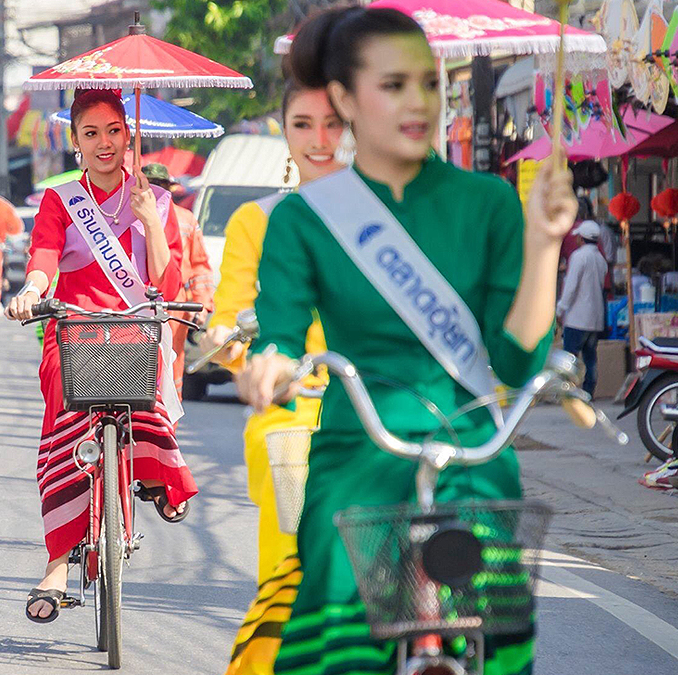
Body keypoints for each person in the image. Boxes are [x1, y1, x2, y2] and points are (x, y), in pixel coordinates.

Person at [242, 7, 576, 673]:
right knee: (333, 622)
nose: (418, 101)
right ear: (344, 98)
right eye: (393, 85)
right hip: (361, 451)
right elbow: (276, 335)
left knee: (503, 630)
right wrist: (269, 368)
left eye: (428, 83)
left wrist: (544, 245)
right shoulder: (305, 220)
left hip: (475, 450)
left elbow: (514, 359)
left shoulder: (487, 202)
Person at [5, 88, 197, 624]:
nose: (104, 143)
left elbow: (167, 281)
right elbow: (43, 259)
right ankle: (59, 562)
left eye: (114, 130)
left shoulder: (156, 200)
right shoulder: (59, 199)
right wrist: (31, 291)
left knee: (147, 383)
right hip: (73, 329)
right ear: (75, 142)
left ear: (128, 135)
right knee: (65, 414)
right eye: (91, 133)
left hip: (134, 328)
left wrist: (152, 223)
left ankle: (150, 469)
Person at [207, 76, 344, 675]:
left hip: (383, 413)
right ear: (284, 135)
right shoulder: (256, 222)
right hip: (294, 411)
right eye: (302, 125)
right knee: (294, 573)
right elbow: (228, 319)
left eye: (333, 123)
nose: (320, 140)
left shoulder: (395, 218)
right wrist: (235, 351)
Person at [142, 162, 214, 393]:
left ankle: (167, 426)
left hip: (174, 305)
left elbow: (199, 267)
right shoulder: (124, 217)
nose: (154, 190)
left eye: (160, 186)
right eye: (149, 185)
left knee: (171, 368)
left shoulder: (185, 220)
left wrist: (201, 306)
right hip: (135, 303)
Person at [558, 220, 608, 396]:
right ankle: (588, 392)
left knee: (569, 358)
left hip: (577, 317)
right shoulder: (601, 260)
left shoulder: (578, 257)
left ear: (582, 238)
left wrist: (560, 309)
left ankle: (567, 391)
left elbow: (571, 287)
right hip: (594, 318)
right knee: (590, 359)